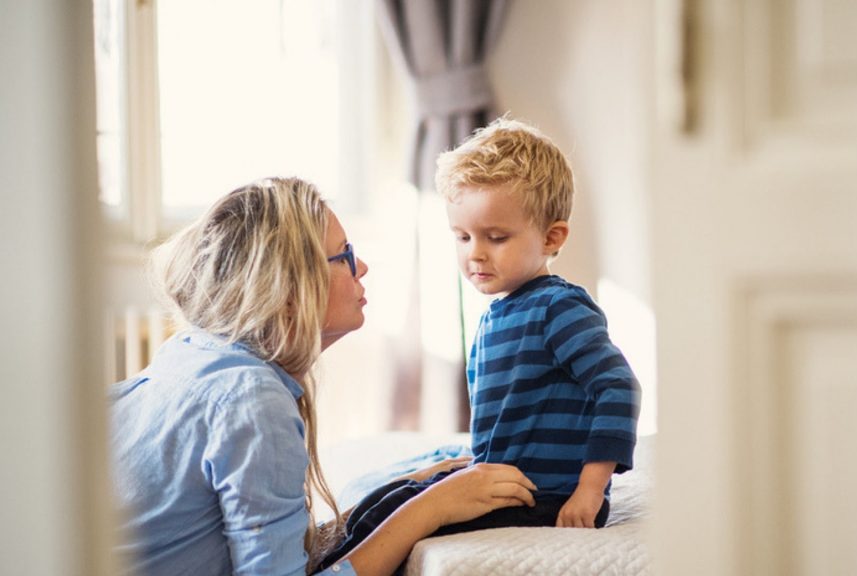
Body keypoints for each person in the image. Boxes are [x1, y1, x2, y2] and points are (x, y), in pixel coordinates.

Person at [108, 177, 538, 576]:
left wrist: (400, 492)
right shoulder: (251, 398)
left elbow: (276, 550)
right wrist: (431, 510)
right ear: (290, 292)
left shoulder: (189, 357)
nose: (362, 267)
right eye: (345, 256)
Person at [332, 117, 640, 557]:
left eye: (495, 237)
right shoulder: (497, 316)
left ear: (552, 237)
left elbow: (618, 386)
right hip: (502, 482)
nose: (474, 252)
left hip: (545, 496)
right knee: (380, 501)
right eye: (462, 236)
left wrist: (589, 491)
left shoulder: (559, 308)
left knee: (393, 515)